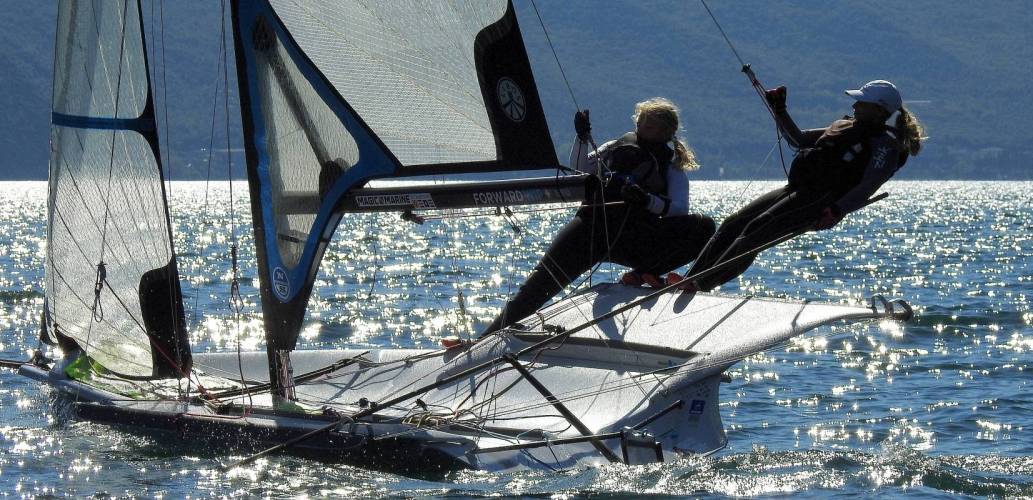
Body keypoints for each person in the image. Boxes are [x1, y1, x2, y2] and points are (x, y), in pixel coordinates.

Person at [483, 98, 716, 334]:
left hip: (634, 239)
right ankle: (485, 337)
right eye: (640, 121)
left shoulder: (671, 166)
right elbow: (580, 170)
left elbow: (679, 209)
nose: (640, 126)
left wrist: (646, 200)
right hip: (590, 230)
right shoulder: (615, 146)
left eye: (648, 124)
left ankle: (642, 274)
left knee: (705, 227)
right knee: (536, 287)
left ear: (665, 131)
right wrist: (582, 138)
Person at [683, 79, 926, 292]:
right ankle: (688, 279)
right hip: (796, 190)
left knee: (756, 231)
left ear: (879, 110)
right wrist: (780, 110)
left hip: (821, 201)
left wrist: (836, 211)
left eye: (861, 103)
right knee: (733, 223)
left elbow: (867, 186)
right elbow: (797, 139)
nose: (854, 106)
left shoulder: (885, 146)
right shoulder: (844, 125)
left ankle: (701, 284)